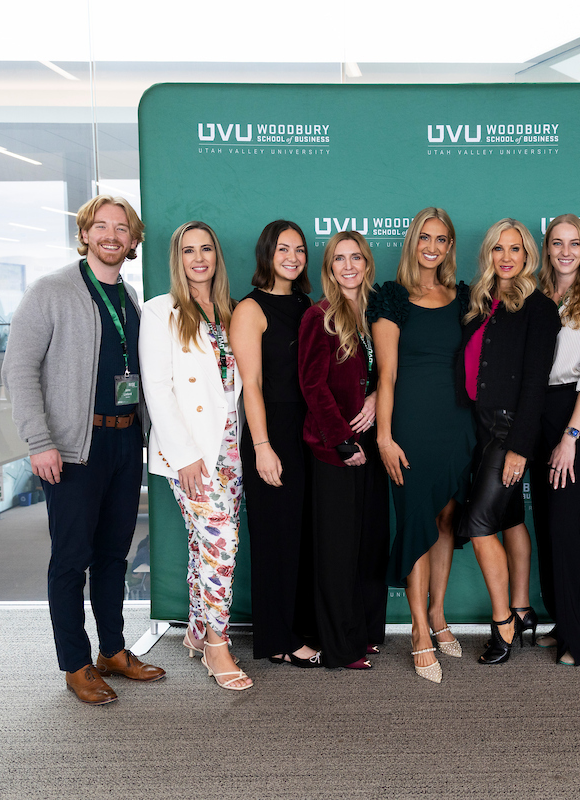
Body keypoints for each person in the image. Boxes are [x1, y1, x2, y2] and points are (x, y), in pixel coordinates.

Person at [3, 195, 165, 705]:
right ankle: (75, 663)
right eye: (102, 226)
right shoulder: (50, 292)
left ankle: (113, 651)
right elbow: (19, 370)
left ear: (133, 240)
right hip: (73, 449)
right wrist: (40, 442)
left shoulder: (129, 297)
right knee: (71, 560)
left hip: (122, 442)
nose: (111, 235)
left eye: (122, 228)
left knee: (113, 555)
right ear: (86, 233)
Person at [141, 220, 251, 691]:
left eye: (207, 248)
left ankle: (195, 627)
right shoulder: (160, 311)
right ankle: (217, 644)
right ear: (177, 258)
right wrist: (184, 455)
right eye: (189, 251)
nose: (199, 258)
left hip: (231, 446)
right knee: (221, 547)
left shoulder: (231, 311)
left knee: (202, 544)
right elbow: (158, 389)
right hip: (192, 453)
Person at [367, 208, 475, 684]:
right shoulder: (391, 297)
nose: (432, 245)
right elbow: (385, 375)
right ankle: (416, 631)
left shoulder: (465, 296)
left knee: (447, 517)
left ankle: (438, 613)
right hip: (410, 425)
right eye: (424, 237)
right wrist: (384, 436)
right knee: (415, 520)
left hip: (459, 425)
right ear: (412, 241)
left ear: (450, 246)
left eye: (442, 239)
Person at [455, 218, 559, 666]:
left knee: (479, 525)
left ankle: (502, 623)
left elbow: (536, 381)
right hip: (478, 427)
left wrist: (519, 446)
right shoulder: (478, 302)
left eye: (515, 249)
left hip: (508, 429)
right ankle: (522, 607)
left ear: (527, 256)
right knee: (512, 517)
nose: (507, 257)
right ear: (489, 255)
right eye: (499, 249)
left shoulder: (538, 308)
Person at [229, 220, 322, 668]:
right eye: (283, 248)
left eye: (300, 249)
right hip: (273, 432)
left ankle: (296, 626)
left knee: (299, 536)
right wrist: (263, 446)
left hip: (307, 431)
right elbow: (252, 384)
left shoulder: (306, 303)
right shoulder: (251, 309)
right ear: (267, 253)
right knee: (275, 539)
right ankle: (277, 640)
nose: (293, 257)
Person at [298, 231, 388, 671]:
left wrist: (374, 398)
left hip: (371, 448)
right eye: (339, 259)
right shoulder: (319, 317)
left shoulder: (373, 314)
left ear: (367, 263)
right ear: (329, 267)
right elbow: (312, 387)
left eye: (356, 258)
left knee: (364, 548)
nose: (348, 266)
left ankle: (363, 633)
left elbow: (379, 374)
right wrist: (342, 441)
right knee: (336, 553)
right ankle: (338, 646)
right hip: (336, 451)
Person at [528, 214, 580, 666]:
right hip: (534, 411)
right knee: (546, 524)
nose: (565, 251)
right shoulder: (536, 294)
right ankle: (563, 620)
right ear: (547, 248)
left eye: (573, 244)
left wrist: (571, 437)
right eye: (557, 243)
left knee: (566, 527)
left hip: (571, 414)